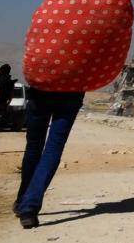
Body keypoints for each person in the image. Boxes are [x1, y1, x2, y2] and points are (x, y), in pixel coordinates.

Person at [14, 88, 84, 228]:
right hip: (71, 94)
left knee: (33, 147)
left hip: (42, 90)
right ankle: (29, 207)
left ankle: (23, 200)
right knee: (54, 148)